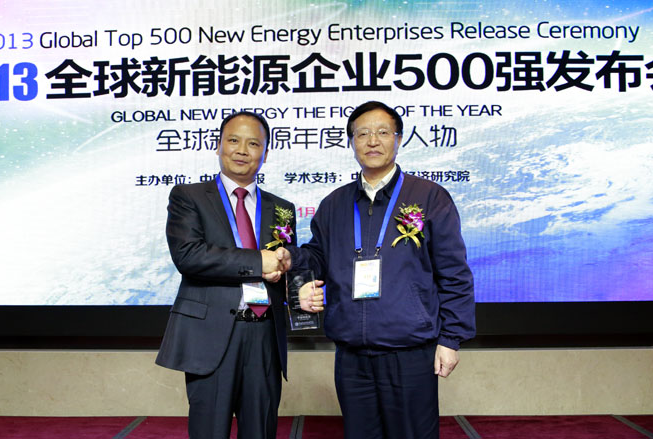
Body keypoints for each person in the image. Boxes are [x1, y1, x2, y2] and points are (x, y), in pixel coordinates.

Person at [290, 101, 476, 439]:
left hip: (410, 352)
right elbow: (316, 256)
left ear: (398, 139)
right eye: (362, 134)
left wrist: (451, 339)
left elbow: (455, 274)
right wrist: (297, 274)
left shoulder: (429, 197)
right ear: (351, 143)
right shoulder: (334, 203)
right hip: (351, 355)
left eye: (382, 132)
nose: (372, 141)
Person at [156, 111, 298, 439]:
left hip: (264, 336)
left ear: (265, 153)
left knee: (261, 430)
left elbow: (283, 264)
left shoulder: (282, 208)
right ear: (218, 146)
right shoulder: (188, 196)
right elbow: (189, 256)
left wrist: (296, 282)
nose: (242, 150)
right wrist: (258, 261)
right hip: (212, 335)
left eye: (254, 143)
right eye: (233, 140)